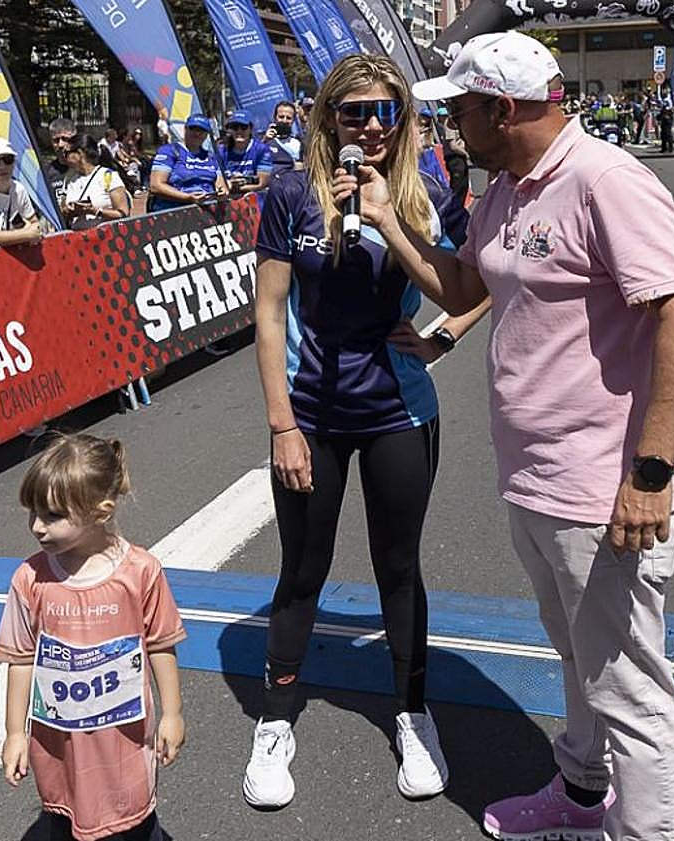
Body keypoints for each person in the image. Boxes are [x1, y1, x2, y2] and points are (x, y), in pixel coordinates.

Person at [335, 29, 674, 841]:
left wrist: (649, 472)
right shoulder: (505, 186)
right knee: (576, 657)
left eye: (460, 111)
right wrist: (387, 220)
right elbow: (467, 283)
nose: (450, 126)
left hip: (602, 486)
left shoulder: (605, 180)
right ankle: (581, 795)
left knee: (629, 690)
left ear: (501, 110)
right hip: (534, 477)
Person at [244, 53, 457, 811]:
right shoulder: (291, 193)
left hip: (399, 411)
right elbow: (269, 313)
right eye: (353, 111)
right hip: (311, 415)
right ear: (327, 119)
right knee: (303, 567)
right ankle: (275, 719)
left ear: (402, 119)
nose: (369, 126)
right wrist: (282, 424)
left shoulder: (426, 191)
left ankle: (412, 712)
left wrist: (441, 336)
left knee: (398, 567)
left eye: (383, 112)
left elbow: (475, 281)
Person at [0, 432, 186, 841]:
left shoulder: (140, 572)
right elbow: (22, 659)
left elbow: (160, 643)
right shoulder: (30, 579)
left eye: (52, 515)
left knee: (134, 824)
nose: (37, 527)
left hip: (124, 743)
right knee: (64, 818)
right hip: (59, 746)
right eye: (33, 513)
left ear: (101, 512)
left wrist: (172, 712)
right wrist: (15, 732)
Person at [149, 113, 227, 212]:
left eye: (202, 130)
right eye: (193, 129)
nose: (197, 133)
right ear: (185, 129)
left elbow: (221, 186)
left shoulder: (211, 158)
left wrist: (222, 193)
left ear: (207, 134)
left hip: (206, 213)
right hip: (173, 212)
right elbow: (156, 186)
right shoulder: (169, 151)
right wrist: (188, 197)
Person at [62, 134, 130, 230]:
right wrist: (68, 211)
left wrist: (95, 211)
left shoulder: (108, 176)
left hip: (105, 235)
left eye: (66, 152)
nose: (64, 156)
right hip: (78, 236)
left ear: (79, 153)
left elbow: (122, 214)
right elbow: (64, 214)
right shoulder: (69, 179)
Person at [0, 138, 43, 247]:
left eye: (8, 159)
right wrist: (26, 234)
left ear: (14, 163)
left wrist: (32, 230)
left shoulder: (19, 189)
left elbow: (35, 224)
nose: (2, 167)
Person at [217, 109, 272, 197]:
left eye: (243, 127)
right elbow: (218, 181)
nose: (239, 131)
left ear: (251, 129)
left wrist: (235, 186)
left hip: (254, 197)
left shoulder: (261, 149)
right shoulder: (221, 150)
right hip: (229, 198)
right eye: (235, 127)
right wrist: (227, 185)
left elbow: (262, 183)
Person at [262, 100, 303, 174]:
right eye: (281, 117)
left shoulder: (299, 144)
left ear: (293, 120)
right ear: (275, 117)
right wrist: (265, 141)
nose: (284, 120)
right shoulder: (264, 141)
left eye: (288, 118)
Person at [45, 117, 76, 206]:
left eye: (65, 139)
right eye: (56, 140)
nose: (60, 144)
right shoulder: (46, 173)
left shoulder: (86, 169)